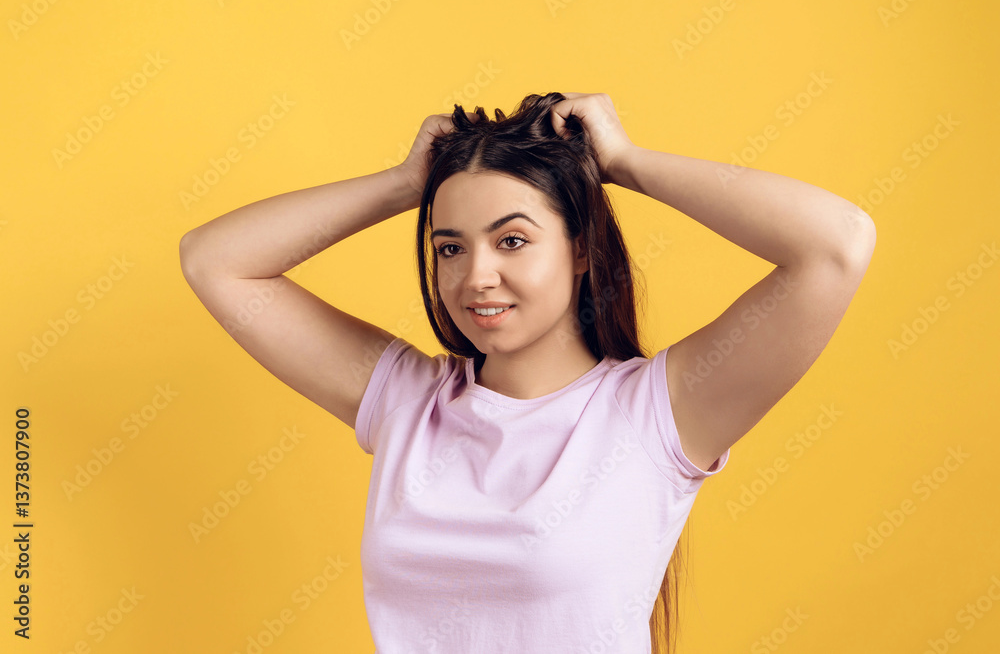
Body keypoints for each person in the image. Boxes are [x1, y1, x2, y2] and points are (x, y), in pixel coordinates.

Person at [179, 91, 876, 653]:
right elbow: (213, 260)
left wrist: (624, 163)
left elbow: (836, 246)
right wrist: (401, 187)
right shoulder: (407, 401)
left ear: (580, 249)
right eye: (450, 247)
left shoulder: (658, 414)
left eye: (511, 239)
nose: (476, 276)